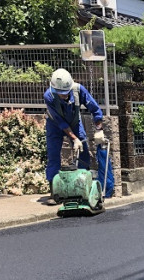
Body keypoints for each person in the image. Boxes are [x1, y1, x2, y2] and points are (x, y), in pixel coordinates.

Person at [43, 68, 114, 202]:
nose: (63, 96)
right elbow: (60, 122)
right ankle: (54, 193)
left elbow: (94, 109)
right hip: (55, 125)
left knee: (83, 152)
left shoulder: (79, 90)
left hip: (75, 122)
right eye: (60, 93)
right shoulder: (49, 96)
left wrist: (99, 129)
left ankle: (82, 188)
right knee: (53, 155)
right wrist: (74, 138)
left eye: (65, 93)